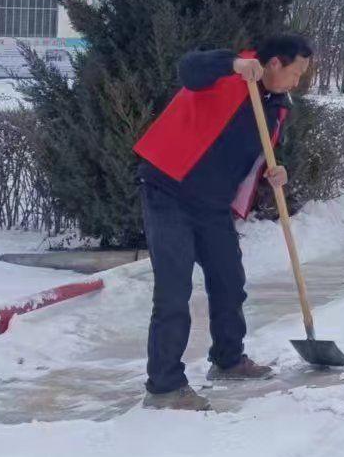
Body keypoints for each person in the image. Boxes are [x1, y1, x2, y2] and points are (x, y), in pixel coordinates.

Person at [131, 34, 314, 411]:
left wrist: (273, 171)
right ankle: (164, 386)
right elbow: (188, 67)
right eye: (295, 73)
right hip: (169, 190)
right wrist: (232, 63)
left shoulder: (276, 105)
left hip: (212, 203)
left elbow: (257, 151)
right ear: (275, 63)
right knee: (173, 289)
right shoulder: (230, 73)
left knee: (229, 280)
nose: (297, 82)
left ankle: (228, 359)